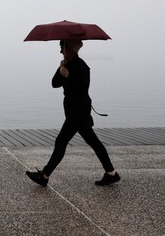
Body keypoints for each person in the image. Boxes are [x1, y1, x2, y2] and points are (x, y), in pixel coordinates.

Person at [26, 39, 120, 186]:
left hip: (79, 110)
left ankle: (44, 176)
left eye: (62, 48)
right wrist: (61, 69)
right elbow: (54, 84)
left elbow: (82, 88)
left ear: (70, 48)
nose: (60, 51)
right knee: (93, 142)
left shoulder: (82, 66)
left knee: (61, 141)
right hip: (73, 109)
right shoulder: (67, 64)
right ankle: (111, 173)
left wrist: (68, 75)